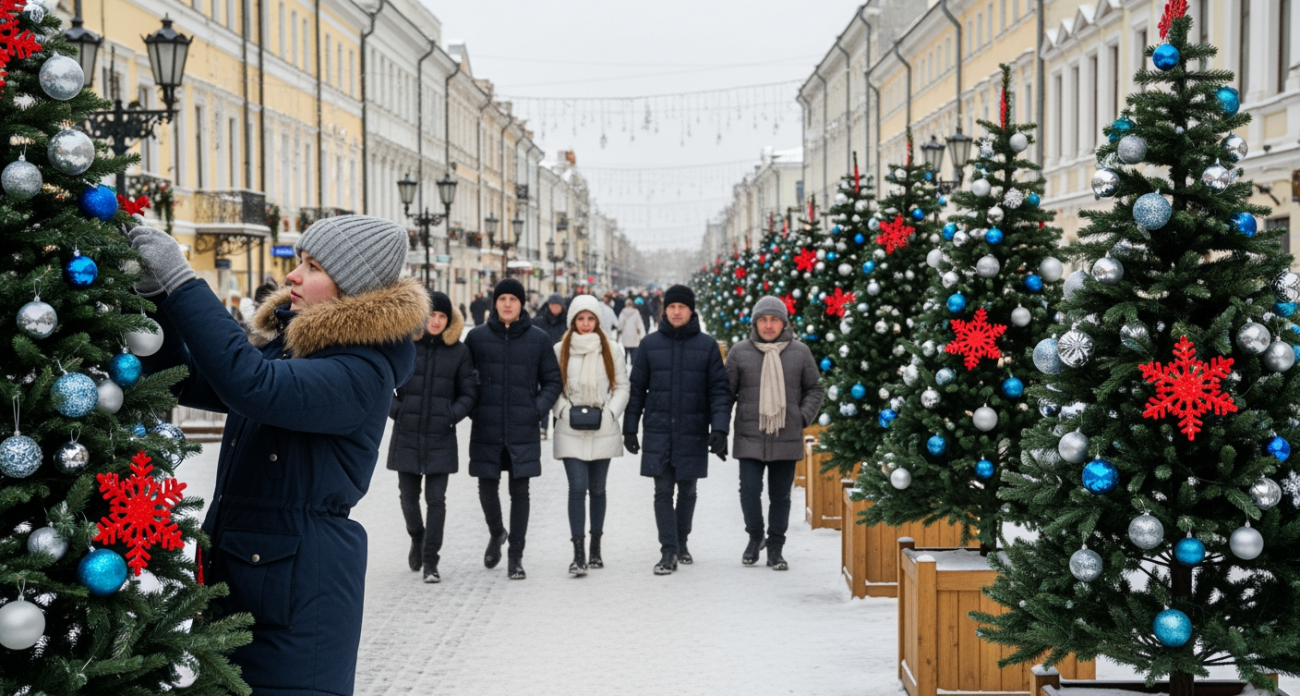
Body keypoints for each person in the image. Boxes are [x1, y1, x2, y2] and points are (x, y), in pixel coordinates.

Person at [131, 215, 426, 695]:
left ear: (350, 288)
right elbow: (183, 374)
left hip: (300, 610)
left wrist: (182, 281)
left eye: (311, 266)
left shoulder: (361, 371)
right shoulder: (292, 356)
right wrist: (155, 297)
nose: (291, 274)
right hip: (251, 589)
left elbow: (248, 383)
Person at [623, 284, 731, 575]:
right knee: (661, 491)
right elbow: (637, 390)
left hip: (692, 430)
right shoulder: (649, 345)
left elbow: (719, 391)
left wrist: (720, 428)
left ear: (691, 310)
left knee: (688, 491)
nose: (676, 311)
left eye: (682, 307)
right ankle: (668, 550)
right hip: (658, 429)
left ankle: (682, 541)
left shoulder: (707, 346)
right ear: (664, 310)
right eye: (672, 307)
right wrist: (630, 428)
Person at [465, 278, 563, 580]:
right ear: (495, 303)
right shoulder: (477, 338)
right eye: (503, 298)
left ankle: (515, 556)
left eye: (514, 299)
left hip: (523, 427)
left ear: (522, 304)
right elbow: (465, 379)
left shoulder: (538, 338)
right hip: (487, 425)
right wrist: (473, 406)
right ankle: (497, 532)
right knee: (486, 487)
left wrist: (537, 409)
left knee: (520, 492)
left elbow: (552, 381)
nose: (508, 304)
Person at [725, 295, 825, 570]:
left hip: (785, 434)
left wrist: (801, 417)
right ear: (755, 323)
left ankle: (776, 548)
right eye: (763, 320)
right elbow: (725, 393)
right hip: (749, 434)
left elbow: (815, 388)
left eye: (774, 320)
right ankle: (755, 536)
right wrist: (719, 428)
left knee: (780, 496)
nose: (768, 326)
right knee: (749, 491)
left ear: (784, 323)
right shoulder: (739, 352)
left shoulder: (800, 352)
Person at [387, 290, 478, 583]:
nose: (436, 321)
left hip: (441, 435)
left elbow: (469, 393)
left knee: (436, 500)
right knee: (408, 498)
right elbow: (383, 383)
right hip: (407, 432)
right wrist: (398, 410)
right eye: (431, 315)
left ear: (449, 320)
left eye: (442, 316)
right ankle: (417, 536)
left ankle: (431, 561)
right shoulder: (403, 347)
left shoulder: (459, 352)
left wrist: (451, 415)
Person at [552, 295, 629, 575]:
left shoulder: (612, 349)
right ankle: (578, 553)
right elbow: (552, 387)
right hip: (570, 427)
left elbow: (622, 386)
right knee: (577, 488)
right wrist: (562, 411)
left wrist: (609, 414)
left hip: (602, 426)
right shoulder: (561, 349)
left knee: (597, 489)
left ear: (598, 321)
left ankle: (596, 548)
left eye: (590, 319)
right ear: (573, 321)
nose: (585, 324)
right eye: (580, 319)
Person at [536, 293, 569, 442]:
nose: (555, 308)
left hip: (562, 363)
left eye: (557, 305)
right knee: (543, 395)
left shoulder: (568, 323)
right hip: (542, 362)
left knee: (559, 397)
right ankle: (543, 427)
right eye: (552, 305)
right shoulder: (539, 321)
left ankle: (558, 428)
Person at [617, 297, 646, 366]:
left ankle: (625, 362)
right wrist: (641, 333)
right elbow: (640, 324)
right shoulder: (636, 312)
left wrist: (619, 331)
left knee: (626, 350)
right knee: (634, 352)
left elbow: (620, 324)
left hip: (625, 335)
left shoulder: (623, 312)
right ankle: (633, 364)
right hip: (634, 335)